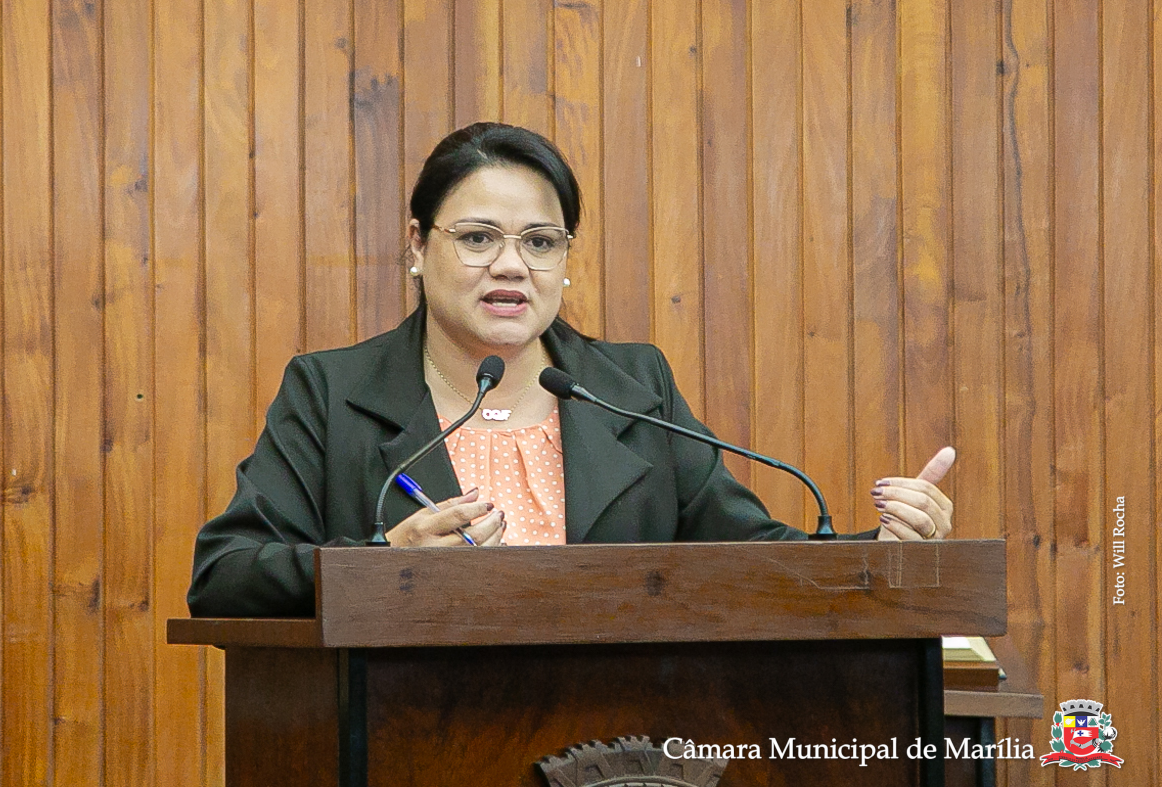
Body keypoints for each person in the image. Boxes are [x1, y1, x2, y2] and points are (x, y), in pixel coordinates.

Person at [187, 122, 955, 618]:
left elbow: (752, 562)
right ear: (417, 246)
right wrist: (385, 564)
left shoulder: (630, 389)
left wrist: (882, 550)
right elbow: (226, 574)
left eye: (540, 242)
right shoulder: (332, 392)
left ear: (565, 259)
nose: (511, 266)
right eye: (478, 238)